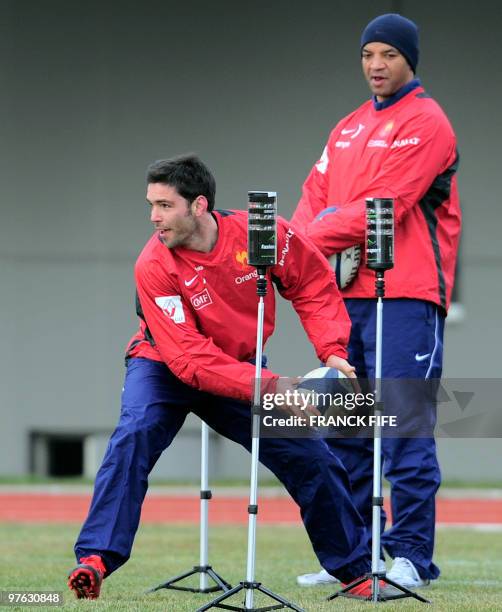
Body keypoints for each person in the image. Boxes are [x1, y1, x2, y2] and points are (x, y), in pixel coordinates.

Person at [67, 154, 399, 600]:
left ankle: (356, 571)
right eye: (151, 204)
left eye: (165, 205)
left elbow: (313, 283)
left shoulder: (262, 236)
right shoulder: (153, 264)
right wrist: (273, 387)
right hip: (163, 365)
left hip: (240, 367)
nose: (154, 217)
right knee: (134, 436)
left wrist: (332, 349)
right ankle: (95, 559)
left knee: (311, 455)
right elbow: (189, 359)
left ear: (199, 205)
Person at [292, 13, 461, 589]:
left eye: (388, 54)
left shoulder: (427, 122)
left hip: (408, 295)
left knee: (405, 423)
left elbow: (383, 206)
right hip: (348, 297)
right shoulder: (345, 128)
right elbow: (311, 199)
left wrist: (304, 239)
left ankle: (411, 554)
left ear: (410, 59)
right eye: (367, 55)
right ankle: (354, 554)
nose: (376, 66)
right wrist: (290, 248)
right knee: (347, 428)